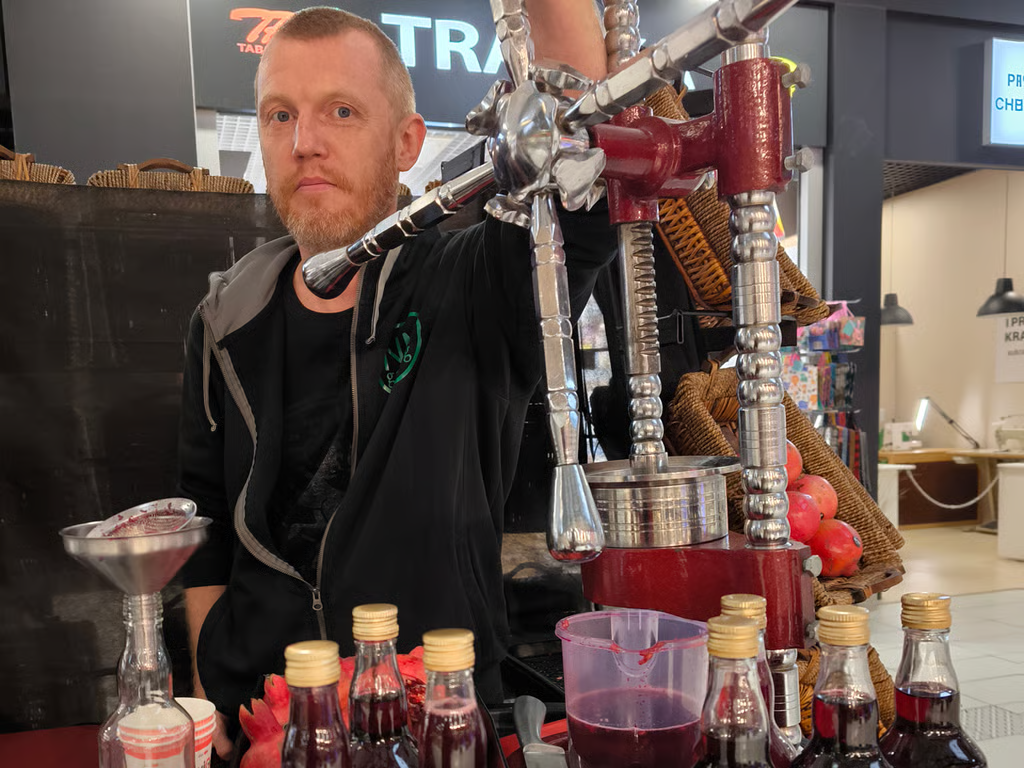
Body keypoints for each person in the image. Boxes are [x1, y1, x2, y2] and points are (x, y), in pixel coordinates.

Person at [177, 3, 613, 759]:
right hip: (265, 725)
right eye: (279, 115)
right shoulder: (222, 319)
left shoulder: (471, 282)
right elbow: (205, 526)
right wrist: (214, 701)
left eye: (340, 111)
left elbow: (577, 139)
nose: (304, 142)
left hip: (434, 720)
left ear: (407, 142)